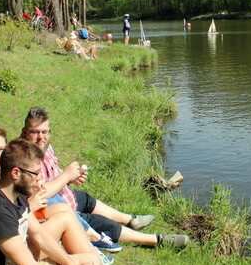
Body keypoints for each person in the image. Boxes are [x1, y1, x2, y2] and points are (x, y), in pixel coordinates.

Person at [0, 121, 123, 265]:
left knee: (64, 211)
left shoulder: (6, 177)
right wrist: (30, 206)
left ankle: (94, 264)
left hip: (13, 237)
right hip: (0, 256)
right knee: (63, 219)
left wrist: (31, 205)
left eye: (1, 150)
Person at [20, 107, 189, 249]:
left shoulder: (45, 147)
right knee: (102, 223)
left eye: (44, 132)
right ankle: (155, 240)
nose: (41, 137)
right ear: (24, 132)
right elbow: (40, 194)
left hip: (64, 196)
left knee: (86, 199)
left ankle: (130, 219)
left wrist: (71, 178)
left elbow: (54, 175)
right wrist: (65, 176)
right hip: (54, 209)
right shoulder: (25, 157)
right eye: (35, 132)